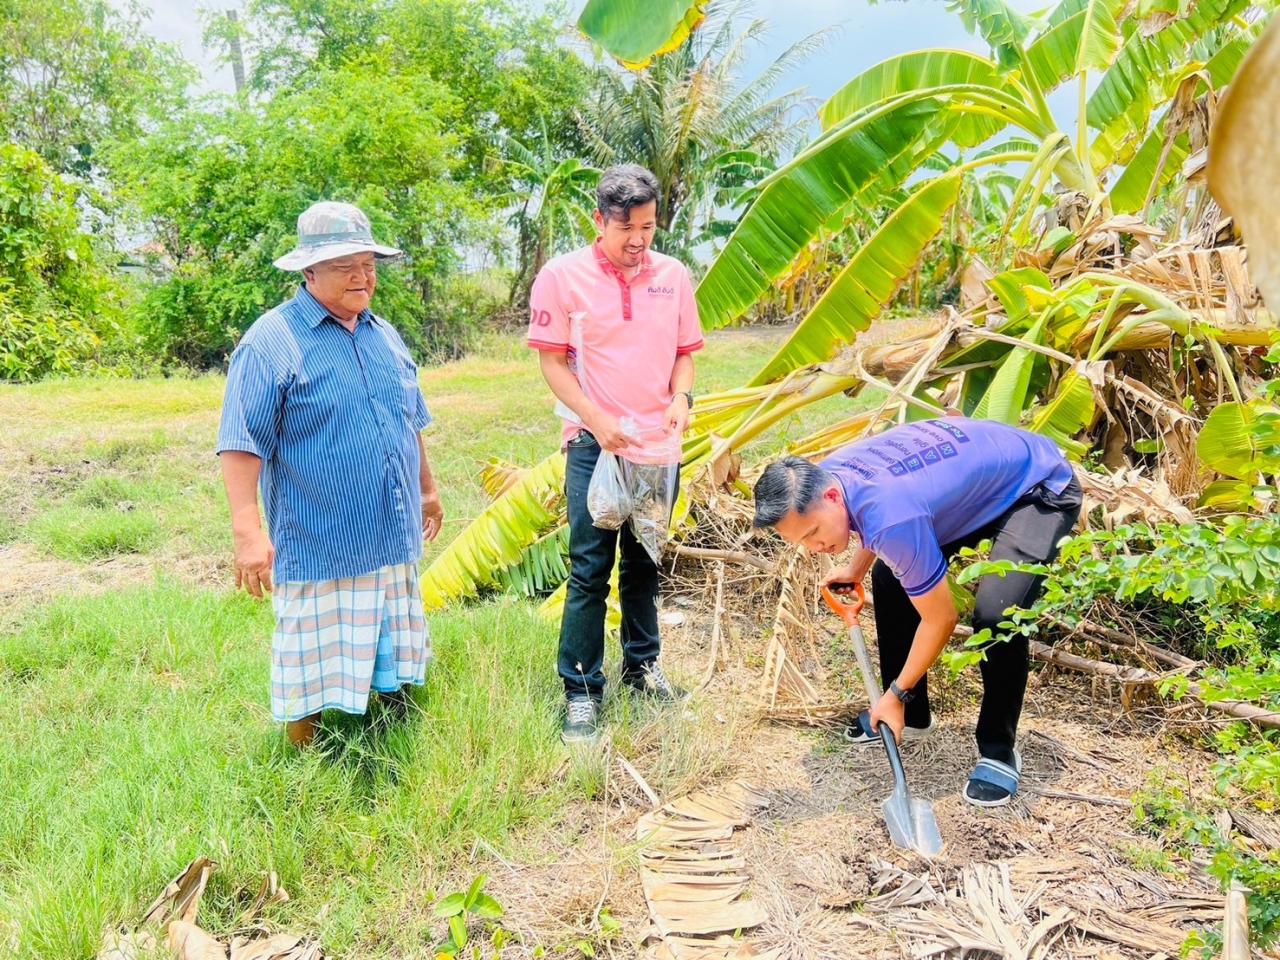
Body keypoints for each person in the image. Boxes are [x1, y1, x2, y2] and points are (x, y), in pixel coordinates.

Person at [751, 417, 1082, 806]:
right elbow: (879, 520)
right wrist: (854, 569)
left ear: (831, 498)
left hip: (1038, 488)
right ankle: (912, 715)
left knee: (997, 616)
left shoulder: (888, 513)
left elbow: (941, 617)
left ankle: (998, 749)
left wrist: (892, 691)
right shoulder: (830, 478)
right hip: (976, 482)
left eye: (812, 533)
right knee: (891, 580)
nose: (813, 547)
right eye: (800, 541)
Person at [216, 200, 444, 748]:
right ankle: (305, 757)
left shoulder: (382, 333)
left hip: (390, 529)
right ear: (308, 271)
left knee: (394, 636)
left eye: (368, 263)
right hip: (322, 539)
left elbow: (408, 416)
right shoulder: (273, 341)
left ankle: (394, 727)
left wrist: (427, 490)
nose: (363, 276)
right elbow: (241, 442)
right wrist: (249, 531)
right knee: (311, 652)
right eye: (347, 266)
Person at [527, 164, 704, 744]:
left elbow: (685, 353)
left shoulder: (673, 276)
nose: (639, 240)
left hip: (658, 445)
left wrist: (681, 397)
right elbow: (553, 362)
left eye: (649, 227)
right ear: (598, 220)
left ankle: (643, 669)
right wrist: (599, 422)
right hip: (592, 445)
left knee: (647, 561)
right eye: (627, 228)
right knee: (589, 568)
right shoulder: (562, 277)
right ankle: (580, 690)